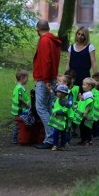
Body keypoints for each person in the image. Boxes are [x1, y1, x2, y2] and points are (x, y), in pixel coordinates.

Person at [32, 19, 62, 149]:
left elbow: (46, 62)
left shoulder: (44, 41)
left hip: (45, 79)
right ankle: (54, 136)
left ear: (38, 28)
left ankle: (50, 138)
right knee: (49, 108)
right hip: (52, 77)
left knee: (41, 108)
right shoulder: (54, 41)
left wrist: (45, 81)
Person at [48, 84, 71, 151]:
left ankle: (63, 144)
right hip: (56, 121)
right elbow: (53, 99)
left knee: (63, 133)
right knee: (55, 133)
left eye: (59, 92)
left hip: (63, 121)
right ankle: (55, 144)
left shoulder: (66, 102)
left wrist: (58, 112)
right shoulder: (57, 99)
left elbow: (66, 110)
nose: (57, 93)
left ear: (64, 93)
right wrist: (50, 90)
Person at [11, 69, 31, 144]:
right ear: (22, 78)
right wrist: (26, 104)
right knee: (18, 124)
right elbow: (19, 98)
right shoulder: (19, 88)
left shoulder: (19, 87)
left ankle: (17, 137)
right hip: (19, 109)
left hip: (19, 109)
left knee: (18, 123)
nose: (27, 80)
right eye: (26, 78)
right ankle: (15, 138)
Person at [74, 77, 95, 146]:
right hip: (83, 115)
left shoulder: (89, 94)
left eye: (84, 85)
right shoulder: (86, 93)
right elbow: (82, 101)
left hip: (86, 115)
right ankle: (84, 140)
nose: (82, 86)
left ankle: (88, 140)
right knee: (82, 127)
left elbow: (88, 104)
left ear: (90, 86)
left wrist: (86, 112)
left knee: (86, 128)